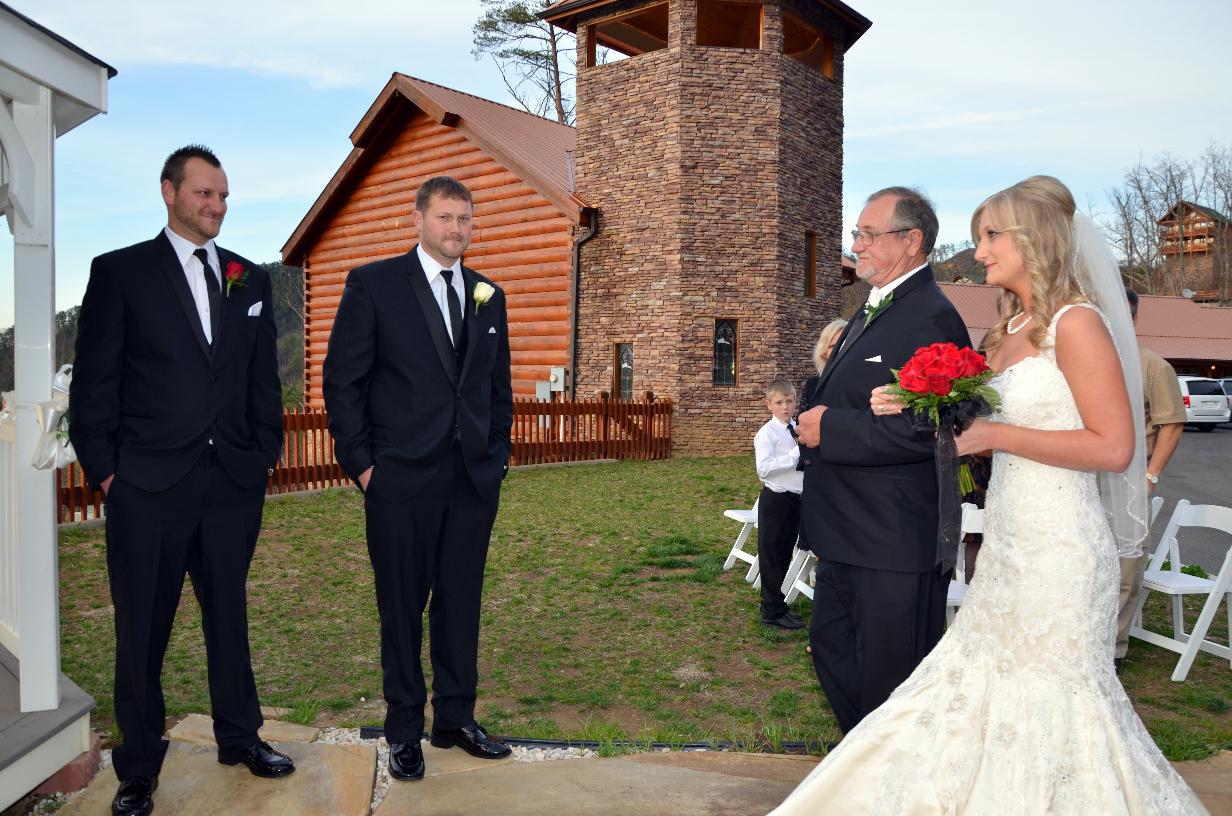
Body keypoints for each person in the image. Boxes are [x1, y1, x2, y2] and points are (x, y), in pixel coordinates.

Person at [771, 176, 1207, 814]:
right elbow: (953, 420)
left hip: (1059, 544)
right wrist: (905, 402)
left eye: (991, 235)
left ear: (1037, 239)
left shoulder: (1078, 323)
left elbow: (1114, 447)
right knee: (986, 696)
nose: (978, 252)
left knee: (1053, 705)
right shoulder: (1009, 330)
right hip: (1008, 538)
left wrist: (994, 434)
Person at [70, 145, 292, 816]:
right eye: (204, 193)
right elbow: (94, 385)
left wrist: (263, 455)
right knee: (142, 630)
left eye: (223, 196)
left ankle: (240, 737)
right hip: (147, 488)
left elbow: (261, 380)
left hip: (231, 484)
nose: (217, 206)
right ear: (169, 193)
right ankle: (138, 768)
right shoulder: (121, 273)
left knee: (230, 615)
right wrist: (110, 474)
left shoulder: (248, 279)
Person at [323, 176, 514, 783]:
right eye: (445, 217)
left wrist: (497, 455)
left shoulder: (489, 296)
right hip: (398, 480)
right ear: (419, 220)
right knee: (402, 608)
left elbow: (498, 389)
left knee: (461, 603)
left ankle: (455, 717)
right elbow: (342, 381)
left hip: (471, 482)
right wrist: (362, 464)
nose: (456, 229)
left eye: (465, 219)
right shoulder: (374, 285)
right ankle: (404, 729)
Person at [793, 187, 971, 733]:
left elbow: (931, 430)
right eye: (857, 234)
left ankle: (888, 772)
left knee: (891, 682)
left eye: (869, 234)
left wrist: (829, 428)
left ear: (912, 241)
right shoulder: (872, 309)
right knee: (832, 649)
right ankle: (862, 761)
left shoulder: (932, 318)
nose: (857, 245)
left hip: (891, 539)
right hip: (847, 531)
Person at [1116, 287, 1186, 672]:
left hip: (1131, 478)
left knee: (1126, 566)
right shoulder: (1086, 360)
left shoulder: (1154, 367)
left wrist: (1151, 476)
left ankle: (1113, 648)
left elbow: (1171, 425)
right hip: (1084, 477)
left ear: (1134, 317)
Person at [753, 378, 805, 630]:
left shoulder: (797, 428)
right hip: (777, 500)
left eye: (789, 401)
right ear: (769, 405)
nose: (785, 407)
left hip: (797, 499)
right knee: (772, 554)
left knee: (785, 553)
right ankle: (771, 610)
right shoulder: (767, 433)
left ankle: (777, 603)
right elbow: (763, 470)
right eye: (779, 402)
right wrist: (795, 456)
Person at [797, 319, 847, 415]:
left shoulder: (863, 385)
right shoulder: (812, 386)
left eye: (844, 345)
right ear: (824, 352)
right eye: (833, 346)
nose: (839, 350)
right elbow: (802, 423)